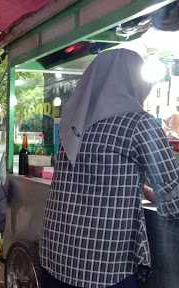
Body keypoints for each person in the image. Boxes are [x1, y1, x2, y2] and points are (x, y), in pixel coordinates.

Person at [40, 48, 179, 288]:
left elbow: (91, 178)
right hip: (104, 267)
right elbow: (174, 197)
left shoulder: (70, 124)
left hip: (56, 255)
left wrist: (143, 190)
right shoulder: (139, 123)